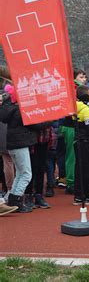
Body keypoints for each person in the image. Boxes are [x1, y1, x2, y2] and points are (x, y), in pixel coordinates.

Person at [0, 85, 36, 213]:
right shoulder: (19, 110)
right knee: (26, 174)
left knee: (20, 173)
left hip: (13, 144)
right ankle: (15, 199)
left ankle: (11, 198)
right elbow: (34, 124)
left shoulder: (8, 109)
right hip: (20, 143)